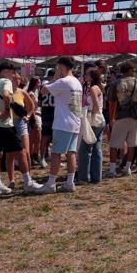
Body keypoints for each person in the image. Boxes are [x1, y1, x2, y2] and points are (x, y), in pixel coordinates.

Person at [0, 62, 41, 195]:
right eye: (10, 71)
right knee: (21, 152)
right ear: (4, 72)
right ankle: (28, 182)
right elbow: (6, 95)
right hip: (6, 126)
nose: (12, 74)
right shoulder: (6, 83)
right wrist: (5, 109)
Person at [37, 57, 82, 193]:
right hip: (75, 122)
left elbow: (43, 91)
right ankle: (70, 182)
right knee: (71, 153)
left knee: (56, 153)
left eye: (58, 68)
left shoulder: (63, 81)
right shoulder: (77, 82)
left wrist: (55, 77)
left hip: (63, 122)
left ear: (61, 67)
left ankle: (51, 183)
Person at [106, 62, 137, 177]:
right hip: (135, 116)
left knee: (114, 144)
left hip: (120, 116)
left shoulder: (116, 83)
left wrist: (111, 117)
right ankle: (128, 168)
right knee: (132, 144)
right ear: (130, 70)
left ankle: (112, 169)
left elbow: (112, 103)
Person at [77, 66, 105, 183]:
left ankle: (84, 177)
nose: (85, 76)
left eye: (87, 75)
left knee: (85, 149)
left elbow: (96, 107)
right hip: (99, 120)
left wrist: (89, 115)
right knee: (96, 149)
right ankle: (96, 176)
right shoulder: (97, 87)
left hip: (93, 120)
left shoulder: (93, 88)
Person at [37, 68, 56, 169]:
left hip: (45, 114)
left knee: (45, 137)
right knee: (55, 138)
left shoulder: (43, 87)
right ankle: (54, 158)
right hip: (54, 114)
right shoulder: (56, 86)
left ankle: (42, 158)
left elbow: (39, 103)